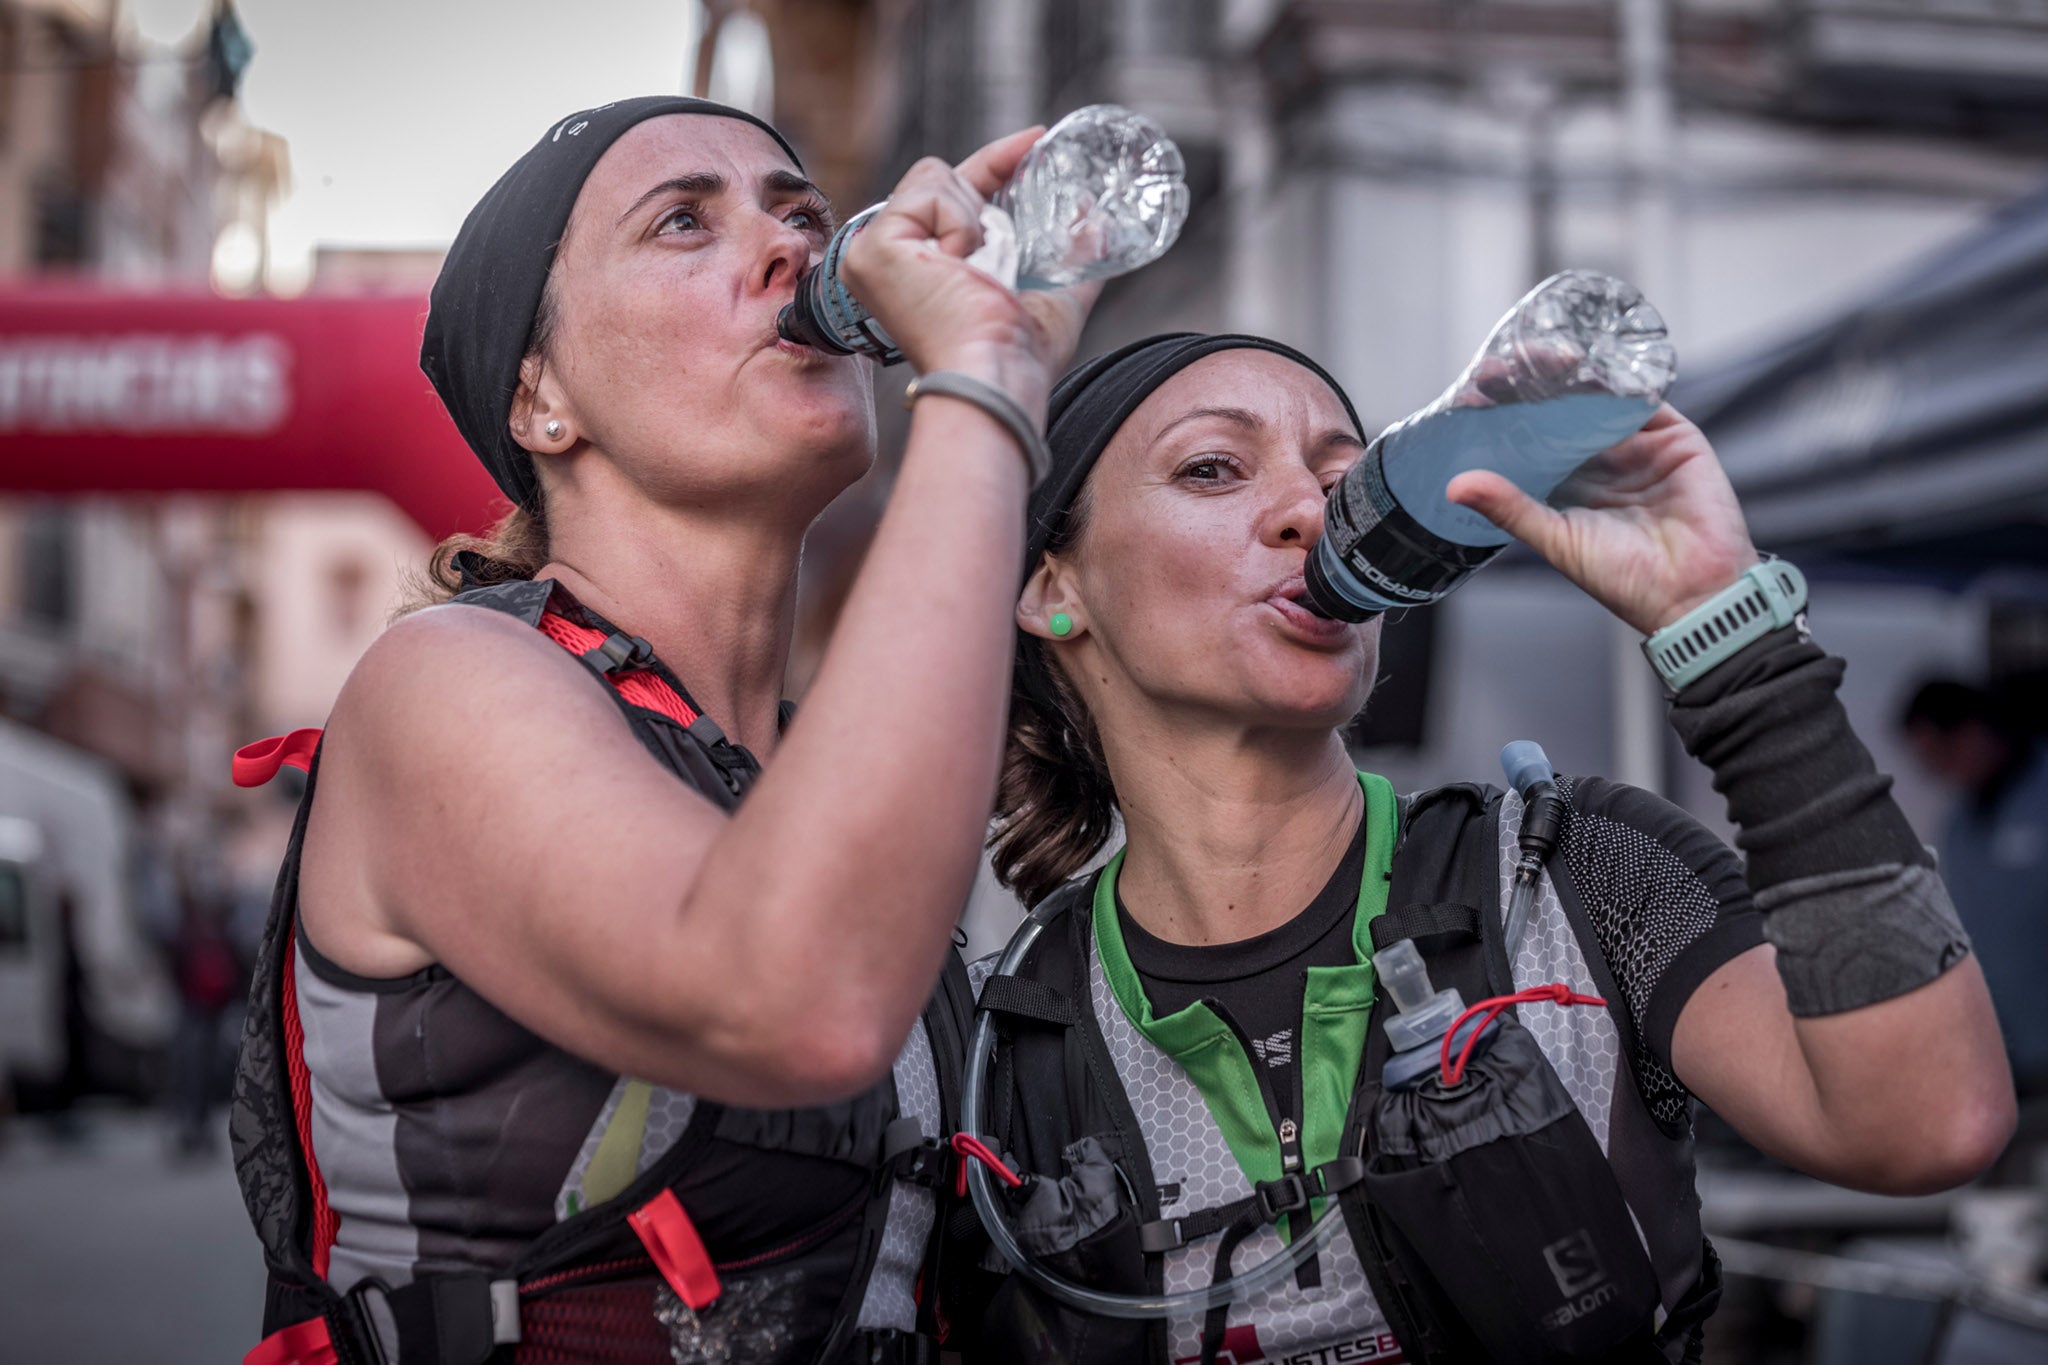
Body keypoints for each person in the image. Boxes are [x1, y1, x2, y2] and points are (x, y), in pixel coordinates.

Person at [948, 334, 2015, 1365]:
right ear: (1053, 589)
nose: (1305, 516)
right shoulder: (995, 1043)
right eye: (1213, 468)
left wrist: (1727, 636)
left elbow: (1928, 1124)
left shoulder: (1575, 875)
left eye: (1341, 481)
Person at [229, 96, 1095, 1365]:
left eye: (801, 212)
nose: (792, 248)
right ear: (542, 398)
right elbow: (794, 992)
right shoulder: (445, 683)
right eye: (683, 221)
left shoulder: (823, 773)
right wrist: (980, 390)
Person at [1902, 678, 2048, 1094]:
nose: (1941, 773)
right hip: (2005, 1054)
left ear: (1974, 730)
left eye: (1941, 755)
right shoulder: (1959, 825)